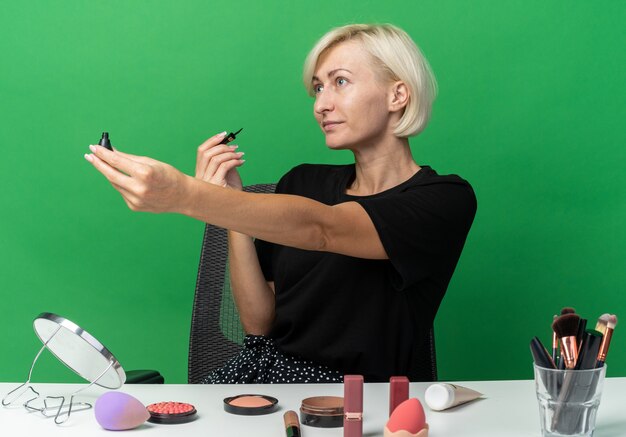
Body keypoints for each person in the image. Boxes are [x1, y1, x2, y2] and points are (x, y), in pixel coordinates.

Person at [85, 23, 477, 383]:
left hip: (360, 400)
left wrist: (188, 196)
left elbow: (324, 229)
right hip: (268, 384)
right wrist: (231, 206)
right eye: (318, 88)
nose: (321, 104)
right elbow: (258, 323)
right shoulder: (302, 181)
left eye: (340, 82)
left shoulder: (445, 200)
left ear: (398, 94)